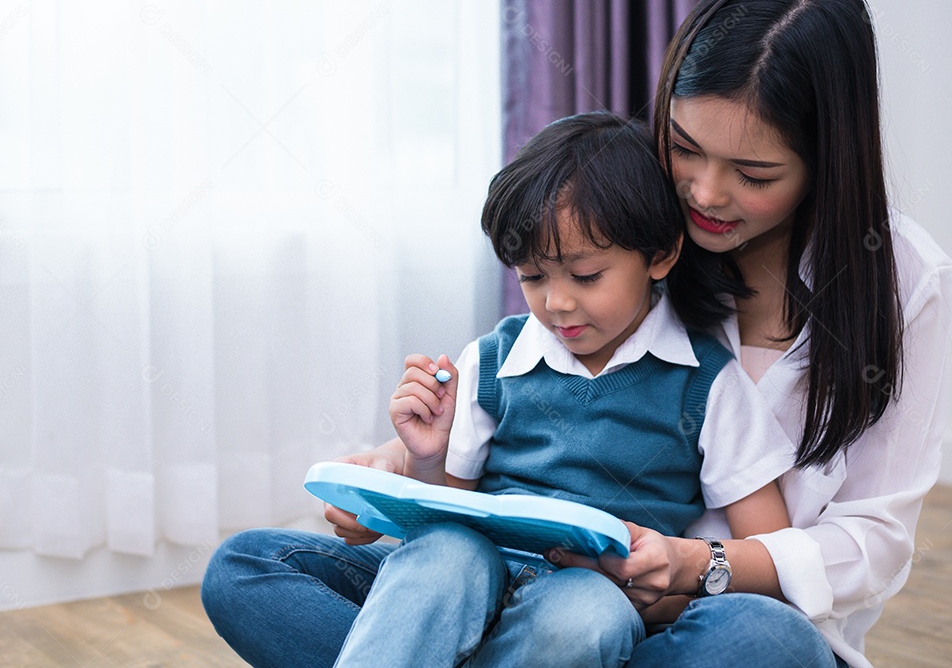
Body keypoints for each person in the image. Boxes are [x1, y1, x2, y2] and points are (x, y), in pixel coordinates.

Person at [204, 0, 952, 668]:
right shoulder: (622, 220)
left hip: (688, 616)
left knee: (768, 642)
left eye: (752, 174)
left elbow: (869, 542)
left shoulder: (896, 285)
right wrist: (397, 470)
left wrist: (696, 564)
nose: (703, 194)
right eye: (685, 148)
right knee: (248, 567)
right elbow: (482, 438)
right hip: (492, 586)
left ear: (827, 162)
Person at [201, 113, 795, 668]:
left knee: (591, 615)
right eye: (533, 277)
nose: (556, 303)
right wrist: (424, 459)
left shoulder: (708, 381)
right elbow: (447, 511)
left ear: (660, 255)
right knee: (251, 564)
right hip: (465, 577)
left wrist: (669, 571)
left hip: (591, 595)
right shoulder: (493, 359)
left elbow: (770, 548)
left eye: (586, 276)